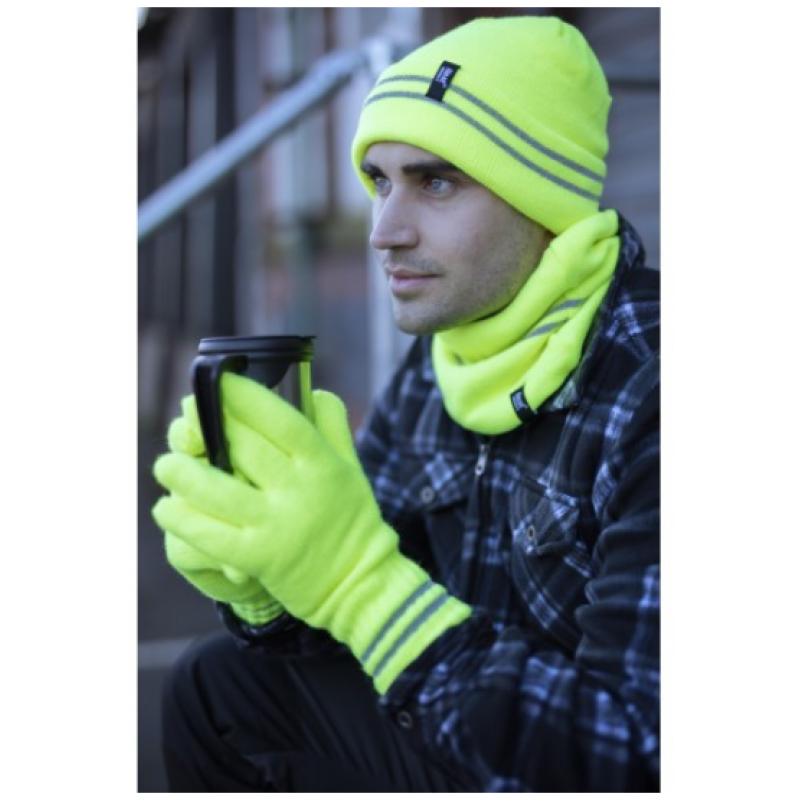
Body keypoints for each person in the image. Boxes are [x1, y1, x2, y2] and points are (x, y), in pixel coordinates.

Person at [151, 15, 660, 792]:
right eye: (380, 181)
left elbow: (639, 758)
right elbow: (368, 629)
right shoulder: (448, 356)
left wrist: (358, 580)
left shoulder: (657, 383)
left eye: (436, 182)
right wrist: (271, 588)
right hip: (463, 722)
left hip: (560, 759)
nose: (384, 231)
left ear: (544, 198)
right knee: (221, 686)